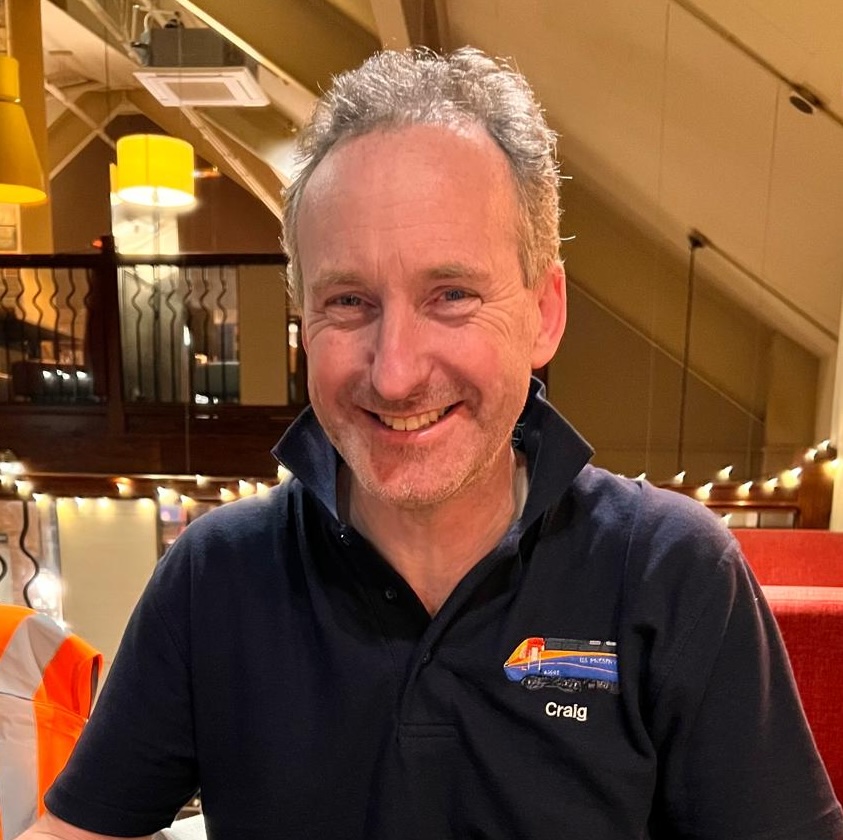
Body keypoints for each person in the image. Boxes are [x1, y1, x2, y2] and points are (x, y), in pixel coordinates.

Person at [21, 47, 843, 840]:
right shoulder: (213, 574)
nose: (395, 374)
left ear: (543, 312)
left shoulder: (673, 570)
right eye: (349, 301)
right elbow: (77, 828)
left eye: (450, 294)